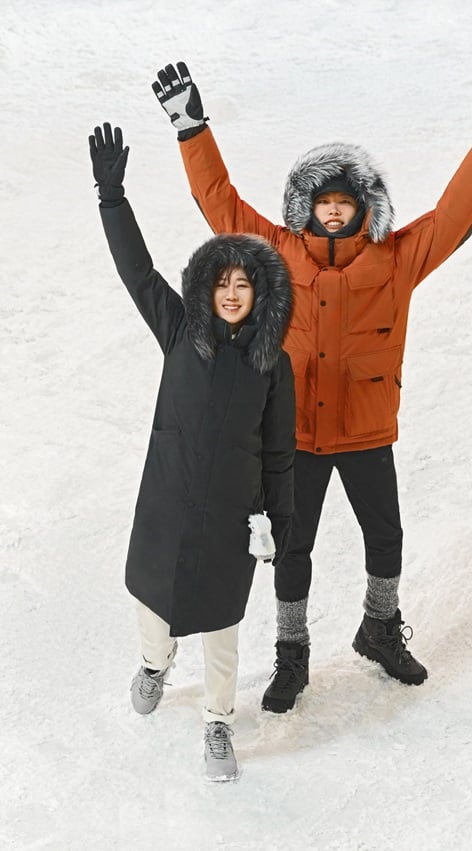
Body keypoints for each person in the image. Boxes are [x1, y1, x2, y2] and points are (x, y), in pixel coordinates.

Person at [151, 65, 472, 713]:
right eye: (323, 200)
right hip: (295, 433)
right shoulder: (274, 253)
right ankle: (292, 652)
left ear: (364, 207)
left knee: (385, 536)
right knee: (292, 548)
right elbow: (221, 203)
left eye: (344, 201)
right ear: (306, 206)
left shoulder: (396, 259)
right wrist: (191, 128)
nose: (333, 209)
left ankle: (378, 627)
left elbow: (451, 218)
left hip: (365, 432)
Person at [88, 123, 295, 779]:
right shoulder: (179, 328)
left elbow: (279, 449)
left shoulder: (273, 364)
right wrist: (112, 198)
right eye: (222, 282)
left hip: (233, 515)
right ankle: (155, 663)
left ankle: (217, 723)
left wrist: (279, 521)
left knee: (222, 626)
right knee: (155, 606)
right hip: (169, 501)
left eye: (244, 285)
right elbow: (137, 272)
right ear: (207, 287)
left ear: (259, 296)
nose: (231, 294)